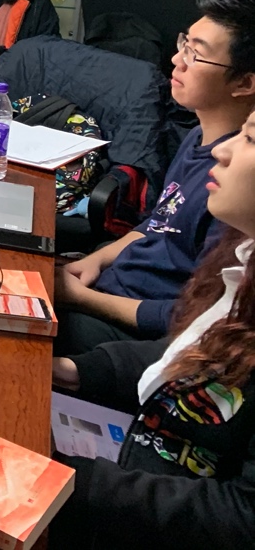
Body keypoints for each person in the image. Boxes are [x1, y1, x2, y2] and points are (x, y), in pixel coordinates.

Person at [49, 104, 255, 549]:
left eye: (250, 139)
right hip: (137, 464)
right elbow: (197, 351)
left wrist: (69, 481)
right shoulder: (242, 261)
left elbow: (242, 516)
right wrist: (79, 370)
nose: (223, 152)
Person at [54, 0, 255, 355]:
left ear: (245, 82)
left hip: (132, 334)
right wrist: (93, 261)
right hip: (108, 286)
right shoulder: (197, 136)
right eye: (184, 44)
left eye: (196, 54)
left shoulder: (237, 188)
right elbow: (158, 222)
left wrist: (80, 299)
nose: (177, 60)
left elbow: (194, 319)